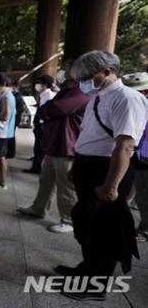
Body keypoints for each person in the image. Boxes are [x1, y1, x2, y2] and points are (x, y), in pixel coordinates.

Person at [55, 51, 148, 301]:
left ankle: (96, 285)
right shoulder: (97, 96)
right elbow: (89, 134)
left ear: (107, 71)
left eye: (86, 77)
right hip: (89, 165)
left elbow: (125, 145)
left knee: (104, 229)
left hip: (108, 169)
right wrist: (77, 165)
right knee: (87, 223)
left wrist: (112, 184)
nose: (82, 82)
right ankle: (86, 269)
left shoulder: (127, 98)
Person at [17, 60, 91, 233]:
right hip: (55, 144)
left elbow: (53, 108)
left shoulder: (79, 92)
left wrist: (47, 109)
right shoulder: (67, 91)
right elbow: (47, 108)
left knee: (65, 186)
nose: (61, 72)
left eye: (65, 69)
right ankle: (38, 208)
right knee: (46, 181)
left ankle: (68, 219)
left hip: (67, 146)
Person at [122, 72, 148, 242]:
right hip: (138, 158)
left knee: (144, 196)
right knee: (138, 194)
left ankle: (145, 230)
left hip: (144, 159)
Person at [25, 74, 56, 174]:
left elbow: (46, 112)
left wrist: (42, 125)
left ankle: (37, 168)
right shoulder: (44, 95)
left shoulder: (49, 95)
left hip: (43, 126)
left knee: (40, 147)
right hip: (40, 124)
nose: (37, 85)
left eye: (39, 82)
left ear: (45, 84)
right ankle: (36, 165)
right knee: (38, 146)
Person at [6, 81, 24, 159]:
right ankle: (10, 152)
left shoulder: (17, 96)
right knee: (11, 135)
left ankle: (11, 152)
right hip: (14, 119)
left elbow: (19, 110)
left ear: (16, 87)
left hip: (14, 119)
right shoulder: (15, 96)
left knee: (11, 136)